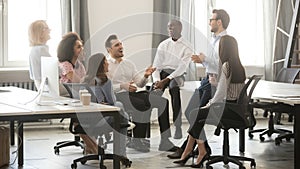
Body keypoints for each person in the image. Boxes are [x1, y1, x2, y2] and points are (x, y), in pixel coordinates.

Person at [174, 35, 246, 167]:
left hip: (227, 109)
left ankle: (198, 151)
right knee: (196, 115)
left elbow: (221, 94)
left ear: (224, 48)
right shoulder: (239, 66)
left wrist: (209, 104)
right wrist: (216, 84)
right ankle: (191, 150)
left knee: (194, 114)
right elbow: (229, 90)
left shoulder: (226, 66)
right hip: (235, 109)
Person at [167, 9, 230, 159]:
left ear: (219, 22)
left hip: (213, 82)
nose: (210, 22)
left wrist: (204, 59)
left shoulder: (225, 41)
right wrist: (203, 59)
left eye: (212, 19)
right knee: (190, 112)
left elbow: (223, 65)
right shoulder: (214, 39)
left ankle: (187, 149)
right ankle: (203, 148)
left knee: (196, 115)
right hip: (206, 80)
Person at [105, 34, 178, 153]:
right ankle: (137, 140)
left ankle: (165, 141)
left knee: (163, 102)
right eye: (117, 45)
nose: (120, 46)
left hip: (131, 94)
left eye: (121, 44)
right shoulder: (106, 65)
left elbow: (140, 84)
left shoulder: (128, 63)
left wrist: (145, 75)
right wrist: (123, 86)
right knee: (141, 104)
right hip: (117, 97)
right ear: (109, 50)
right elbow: (105, 88)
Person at [80, 53, 131, 165]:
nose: (108, 63)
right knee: (120, 109)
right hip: (101, 121)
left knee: (121, 115)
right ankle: (121, 154)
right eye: (105, 61)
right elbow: (112, 103)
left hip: (85, 123)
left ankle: (120, 153)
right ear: (101, 65)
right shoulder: (105, 81)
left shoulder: (84, 80)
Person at [152, 19, 193, 139]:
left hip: (178, 75)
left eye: (173, 27)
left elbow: (182, 68)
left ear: (180, 28)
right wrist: (156, 81)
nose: (170, 30)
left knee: (174, 89)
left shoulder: (187, 46)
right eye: (169, 27)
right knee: (152, 94)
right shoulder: (163, 45)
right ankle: (156, 133)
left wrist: (167, 80)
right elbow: (156, 66)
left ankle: (178, 127)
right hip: (163, 73)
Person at [57, 32, 95, 154]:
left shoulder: (80, 65)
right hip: (67, 99)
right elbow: (78, 82)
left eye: (81, 46)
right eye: (78, 47)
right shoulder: (65, 65)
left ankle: (91, 146)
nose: (82, 49)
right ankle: (93, 147)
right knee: (80, 118)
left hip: (78, 98)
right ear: (70, 50)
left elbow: (85, 84)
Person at [28, 20, 51, 89]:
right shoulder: (41, 50)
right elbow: (53, 70)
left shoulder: (34, 50)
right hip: (46, 87)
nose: (50, 30)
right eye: (47, 28)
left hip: (41, 87)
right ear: (40, 33)